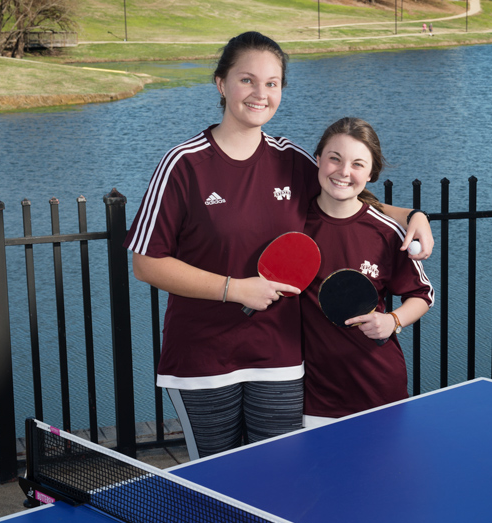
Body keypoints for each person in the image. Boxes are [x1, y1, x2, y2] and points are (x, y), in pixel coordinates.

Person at [124, 32, 433, 460]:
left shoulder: (292, 160)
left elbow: (349, 194)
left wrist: (413, 217)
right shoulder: (184, 163)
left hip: (280, 360)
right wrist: (234, 288)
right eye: (247, 80)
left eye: (272, 83)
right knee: (216, 485)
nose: (260, 93)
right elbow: (146, 264)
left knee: (279, 480)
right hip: (203, 360)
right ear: (221, 84)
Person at [301, 118, 434, 428]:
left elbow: (422, 294)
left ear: (371, 174)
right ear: (317, 159)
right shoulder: (294, 222)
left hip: (378, 388)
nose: (344, 171)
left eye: (358, 164)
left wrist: (393, 320)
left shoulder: (386, 231)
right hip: (314, 396)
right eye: (334, 158)